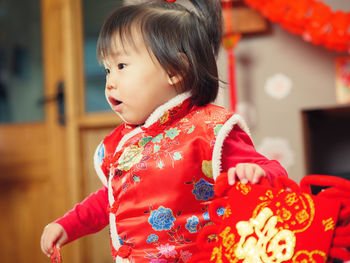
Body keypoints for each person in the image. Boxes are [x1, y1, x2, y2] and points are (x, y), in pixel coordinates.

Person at [40, 0, 287, 262]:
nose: (110, 82)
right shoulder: (122, 144)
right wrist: (67, 225)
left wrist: (257, 173)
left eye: (122, 66)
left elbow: (276, 172)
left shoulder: (210, 131)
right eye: (107, 70)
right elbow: (112, 198)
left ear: (174, 70)